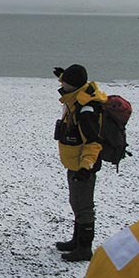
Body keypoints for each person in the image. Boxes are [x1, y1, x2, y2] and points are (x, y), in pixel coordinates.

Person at [53, 64, 107, 262]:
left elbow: (93, 143)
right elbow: (71, 85)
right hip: (75, 163)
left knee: (83, 206)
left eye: (65, 81)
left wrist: (86, 167)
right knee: (76, 202)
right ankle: (76, 240)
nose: (62, 84)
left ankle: (84, 248)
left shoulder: (86, 110)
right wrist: (62, 76)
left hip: (84, 165)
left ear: (73, 85)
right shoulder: (77, 96)